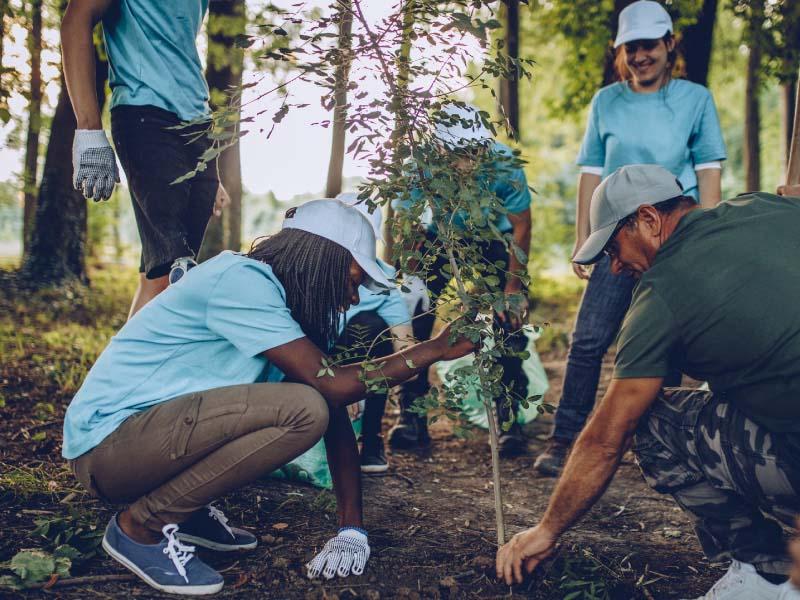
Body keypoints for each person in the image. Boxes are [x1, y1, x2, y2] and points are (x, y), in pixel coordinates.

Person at [62, 199, 475, 595]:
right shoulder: (241, 280)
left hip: (151, 445)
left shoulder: (285, 311)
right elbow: (331, 387)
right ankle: (141, 527)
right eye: (353, 283)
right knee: (302, 410)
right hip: (109, 449)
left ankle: (185, 510)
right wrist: (433, 349)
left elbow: (333, 408)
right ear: (321, 261)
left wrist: (352, 528)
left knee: (311, 405)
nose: (354, 299)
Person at [496, 165, 800, 600]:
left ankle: (767, 573)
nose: (615, 268)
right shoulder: (764, 205)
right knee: (715, 391)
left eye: (613, 249)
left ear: (649, 220)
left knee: (653, 422)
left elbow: (607, 438)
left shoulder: (660, 293)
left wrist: (547, 529)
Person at [534, 0, 727, 476]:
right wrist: (585, 241)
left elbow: (708, 174)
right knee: (589, 340)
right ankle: (565, 439)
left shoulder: (696, 99)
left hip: (669, 236)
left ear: (668, 45)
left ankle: (661, 441)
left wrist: (707, 238)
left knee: (673, 342)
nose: (640, 56)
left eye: (648, 46)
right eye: (630, 48)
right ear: (620, 52)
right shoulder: (606, 101)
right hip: (614, 236)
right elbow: (589, 174)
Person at [61, 0, 230, 319]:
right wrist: (89, 129)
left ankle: (118, 370)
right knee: (175, 270)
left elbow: (175, 46)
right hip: (146, 116)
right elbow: (76, 19)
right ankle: (134, 368)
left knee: (158, 278)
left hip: (198, 125)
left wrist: (208, 165)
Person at [390, 102, 533, 456]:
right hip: (438, 237)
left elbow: (521, 224)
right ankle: (411, 417)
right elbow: (404, 225)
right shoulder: (417, 167)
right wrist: (411, 270)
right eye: (461, 153)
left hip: (493, 238)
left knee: (504, 320)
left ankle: (508, 417)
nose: (470, 160)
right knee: (414, 318)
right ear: (439, 148)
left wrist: (512, 288)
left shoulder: (503, 163)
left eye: (476, 150)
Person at [334, 192, 414, 473]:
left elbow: (405, 344)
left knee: (371, 325)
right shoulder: (309, 270)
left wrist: (391, 371)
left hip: (362, 359)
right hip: (314, 361)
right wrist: (335, 385)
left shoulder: (384, 279)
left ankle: (371, 438)